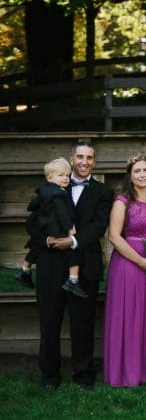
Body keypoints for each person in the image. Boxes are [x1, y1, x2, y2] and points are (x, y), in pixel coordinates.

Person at [34, 140, 112, 389]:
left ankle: (84, 374)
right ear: (71, 159)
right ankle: (50, 375)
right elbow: (33, 223)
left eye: (89, 157)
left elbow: (99, 225)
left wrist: (73, 241)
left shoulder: (104, 192)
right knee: (49, 322)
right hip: (51, 263)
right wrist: (47, 240)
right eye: (80, 157)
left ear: (94, 162)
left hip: (85, 265)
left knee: (83, 323)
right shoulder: (51, 187)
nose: (84, 162)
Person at [102, 154, 146, 387]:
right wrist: (141, 261)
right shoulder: (122, 202)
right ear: (130, 176)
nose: (142, 175)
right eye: (137, 171)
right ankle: (128, 372)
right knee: (131, 316)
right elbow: (114, 236)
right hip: (128, 266)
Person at [23, 158, 82, 297]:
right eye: (61, 175)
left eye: (67, 175)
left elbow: (33, 206)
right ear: (50, 178)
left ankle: (25, 269)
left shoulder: (44, 191)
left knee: (35, 245)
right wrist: (70, 228)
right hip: (57, 229)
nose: (65, 178)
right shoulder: (58, 194)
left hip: (46, 227)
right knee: (74, 252)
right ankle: (73, 280)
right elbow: (63, 214)